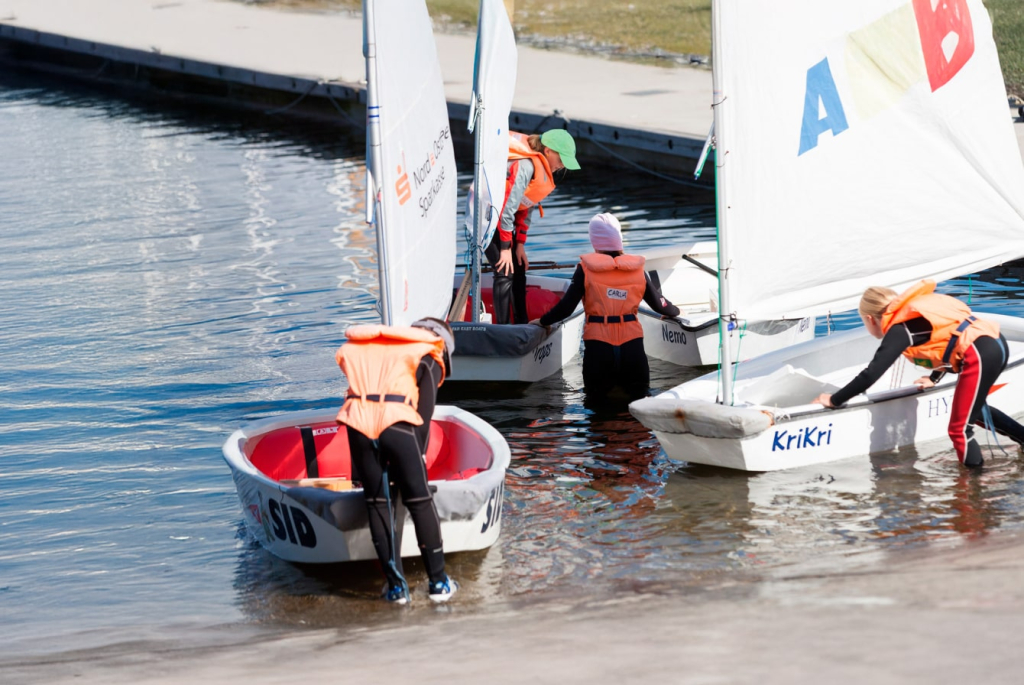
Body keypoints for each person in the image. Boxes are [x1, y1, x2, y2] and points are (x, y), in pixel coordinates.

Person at [814, 280, 1024, 468]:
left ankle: (972, 490)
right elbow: (947, 340)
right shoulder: (912, 318)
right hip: (994, 343)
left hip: (980, 354)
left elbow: (871, 374)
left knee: (959, 430)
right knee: (974, 411)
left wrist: (834, 399)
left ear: (870, 319)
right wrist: (933, 378)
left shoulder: (900, 329)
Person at [334, 317, 458, 604]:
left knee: (377, 502)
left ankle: (396, 590)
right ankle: (439, 584)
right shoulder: (429, 353)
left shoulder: (375, 346)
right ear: (442, 343)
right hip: (398, 425)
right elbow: (422, 419)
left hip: (357, 422)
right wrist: (413, 465)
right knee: (420, 500)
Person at [531, 213, 680, 401]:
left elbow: (566, 308)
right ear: (619, 240)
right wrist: (675, 312)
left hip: (599, 349)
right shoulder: (636, 269)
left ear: (595, 242)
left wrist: (543, 321)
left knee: (597, 406)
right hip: (632, 349)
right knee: (639, 405)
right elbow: (660, 305)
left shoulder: (585, 270)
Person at [486, 128, 581, 324]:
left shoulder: (538, 169)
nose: (562, 166)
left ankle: (521, 323)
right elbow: (507, 208)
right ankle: (504, 329)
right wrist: (505, 248)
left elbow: (525, 206)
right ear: (548, 151)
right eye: (561, 159)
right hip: (485, 219)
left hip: (502, 222)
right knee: (504, 272)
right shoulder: (526, 166)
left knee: (519, 268)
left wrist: (519, 245)